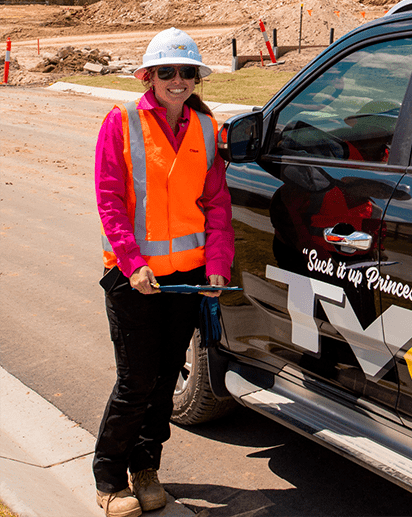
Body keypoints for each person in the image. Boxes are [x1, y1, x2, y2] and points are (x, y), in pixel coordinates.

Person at [93, 27, 234, 517]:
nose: (178, 80)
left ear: (197, 78)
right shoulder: (122, 120)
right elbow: (110, 201)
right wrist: (133, 265)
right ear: (149, 76)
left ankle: (146, 468)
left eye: (187, 72)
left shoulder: (207, 128)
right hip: (135, 279)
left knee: (165, 379)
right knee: (135, 382)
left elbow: (216, 203)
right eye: (167, 72)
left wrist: (217, 265)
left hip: (188, 278)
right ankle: (110, 479)